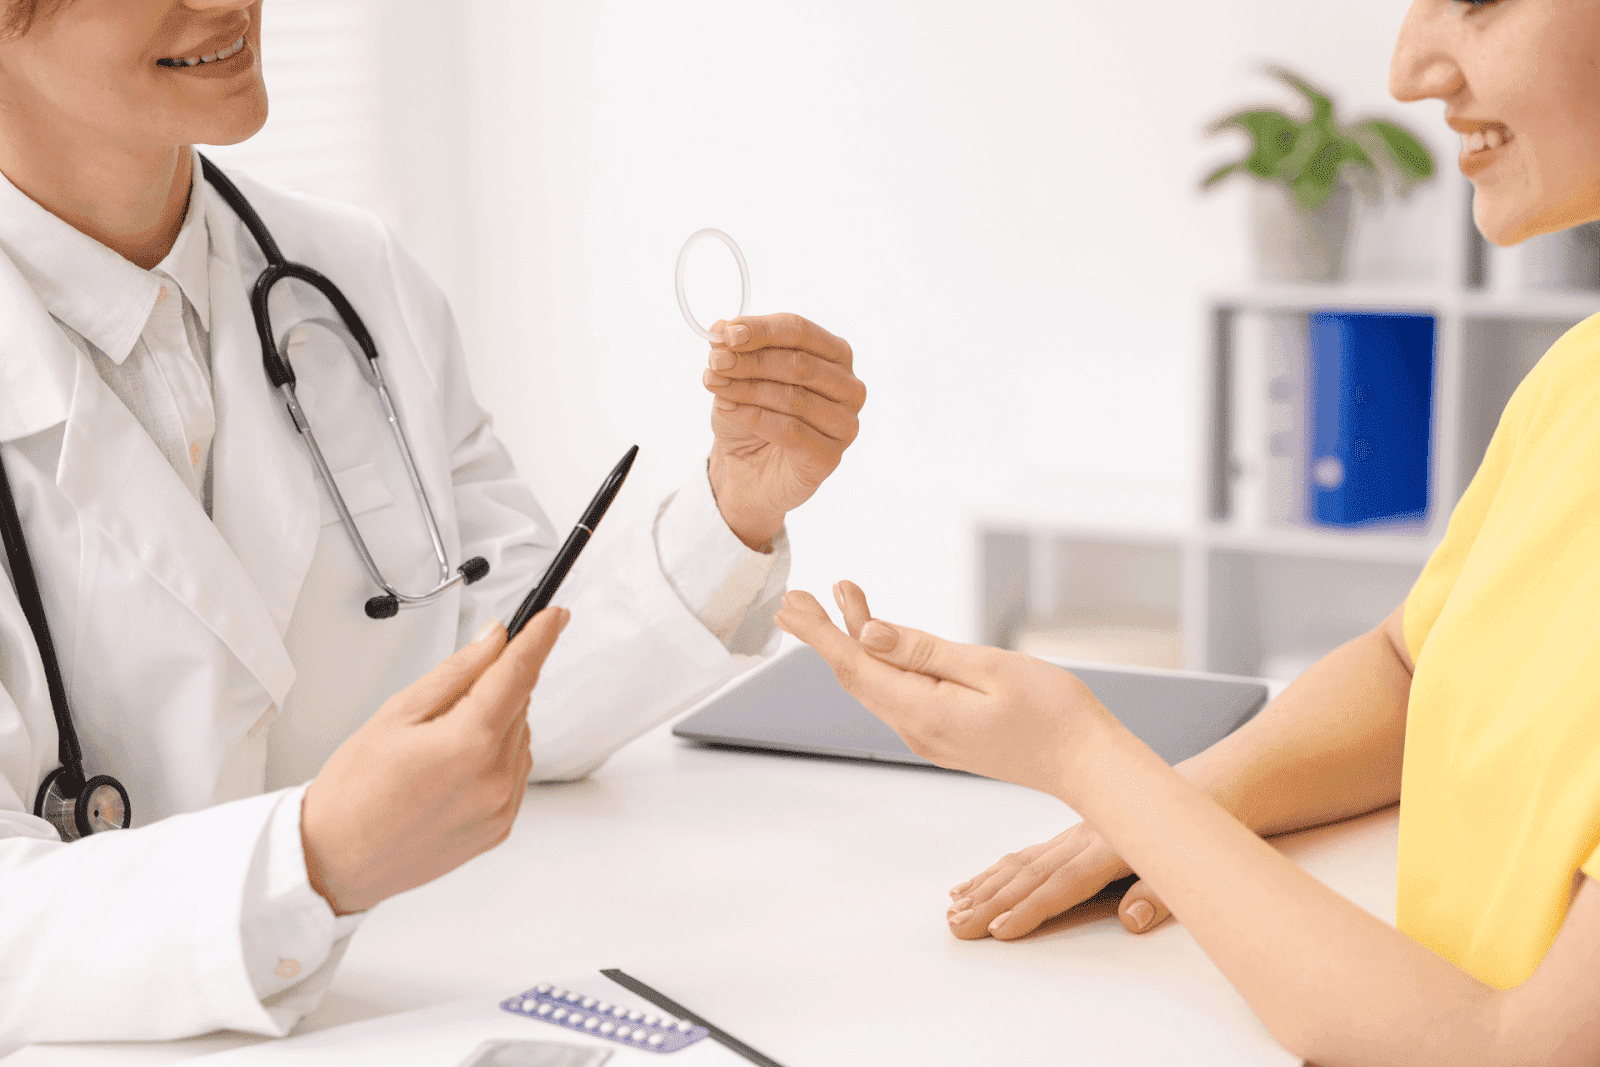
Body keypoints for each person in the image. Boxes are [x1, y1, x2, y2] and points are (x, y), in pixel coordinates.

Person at [0, 0, 864, 1051]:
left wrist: (732, 508)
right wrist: (312, 860)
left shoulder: (353, 277)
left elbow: (505, 674)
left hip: (416, 1009)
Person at [776, 1, 1600, 1064]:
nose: (1407, 70)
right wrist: (1171, 813)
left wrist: (1087, 759)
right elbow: (1411, 665)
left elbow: (1513, 1050)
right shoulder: (1575, 379)